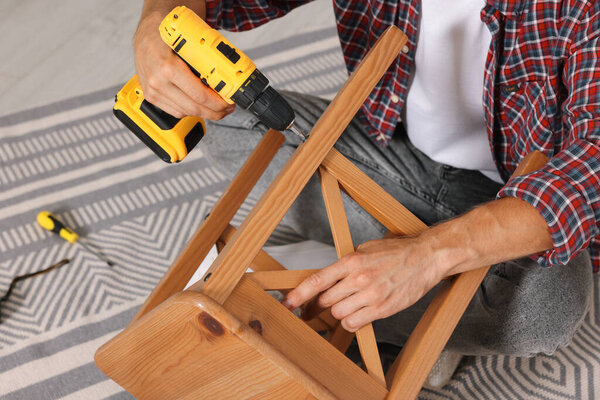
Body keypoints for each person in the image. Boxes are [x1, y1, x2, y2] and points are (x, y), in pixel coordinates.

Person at [133, 0, 599, 387]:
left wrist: (428, 256)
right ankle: (419, 308)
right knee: (203, 115)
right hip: (394, 151)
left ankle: (407, 302)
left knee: (544, 310)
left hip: (516, 199)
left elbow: (588, 172)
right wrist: (156, 22)